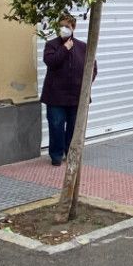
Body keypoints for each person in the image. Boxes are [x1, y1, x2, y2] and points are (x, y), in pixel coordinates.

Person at [41, 15, 97, 166]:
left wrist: (85, 86)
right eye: (61, 26)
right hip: (55, 96)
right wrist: (64, 49)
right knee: (56, 126)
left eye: (67, 26)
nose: (63, 29)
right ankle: (56, 156)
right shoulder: (51, 45)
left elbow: (92, 68)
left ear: (73, 27)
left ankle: (70, 153)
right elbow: (51, 62)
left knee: (73, 127)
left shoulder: (82, 47)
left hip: (76, 97)